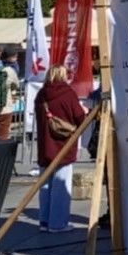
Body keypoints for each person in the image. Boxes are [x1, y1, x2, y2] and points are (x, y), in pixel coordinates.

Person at [35, 65, 87, 231]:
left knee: (45, 185)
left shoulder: (41, 95)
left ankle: (44, 221)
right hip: (63, 145)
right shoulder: (68, 94)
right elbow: (80, 118)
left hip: (45, 145)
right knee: (61, 185)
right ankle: (58, 223)